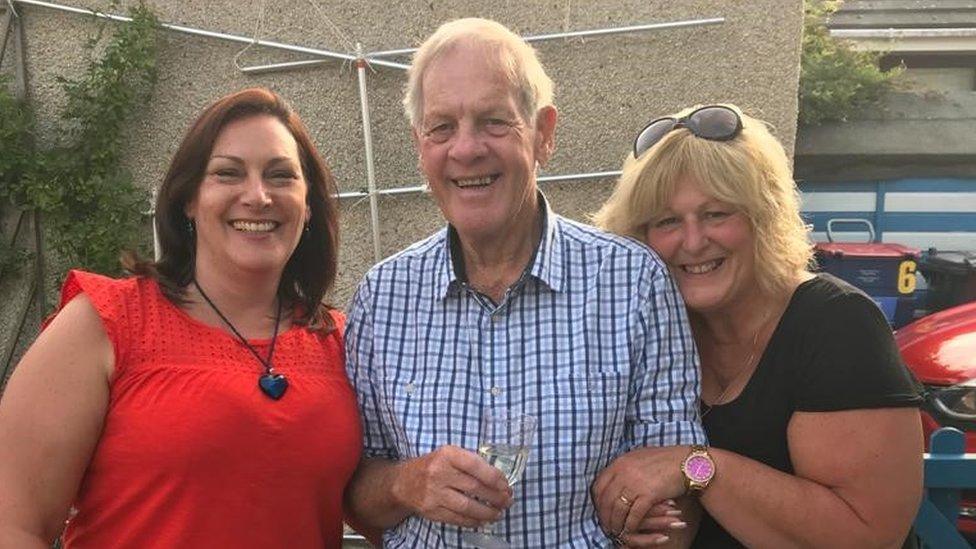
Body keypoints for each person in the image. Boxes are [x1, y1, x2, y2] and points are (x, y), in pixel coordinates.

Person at [342, 17, 706, 548]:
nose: (465, 149)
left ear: (544, 133)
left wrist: (656, 509)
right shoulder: (383, 295)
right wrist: (406, 482)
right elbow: (353, 491)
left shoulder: (633, 283)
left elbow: (680, 481)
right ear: (421, 145)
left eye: (493, 121)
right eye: (442, 126)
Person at [0, 88, 362, 548]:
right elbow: (14, 526)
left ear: (308, 205)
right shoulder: (106, 323)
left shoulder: (343, 343)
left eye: (281, 176)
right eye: (228, 174)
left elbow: (381, 498)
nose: (258, 196)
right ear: (188, 199)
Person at [592, 104, 924, 547]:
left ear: (763, 218)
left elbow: (867, 537)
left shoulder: (836, 323)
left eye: (716, 214)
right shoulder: (654, 329)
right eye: (667, 221)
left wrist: (696, 467)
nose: (692, 242)